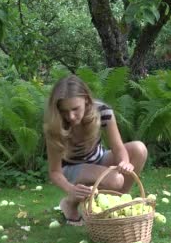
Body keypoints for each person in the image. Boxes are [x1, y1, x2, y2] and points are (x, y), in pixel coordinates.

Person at [43, 74, 147, 226]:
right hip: (71, 169)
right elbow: (54, 172)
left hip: (98, 159)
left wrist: (124, 162)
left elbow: (118, 148)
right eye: (64, 111)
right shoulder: (55, 124)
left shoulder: (103, 111)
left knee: (139, 149)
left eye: (75, 109)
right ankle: (69, 203)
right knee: (115, 179)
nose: (70, 116)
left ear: (86, 99)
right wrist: (70, 189)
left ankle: (116, 203)